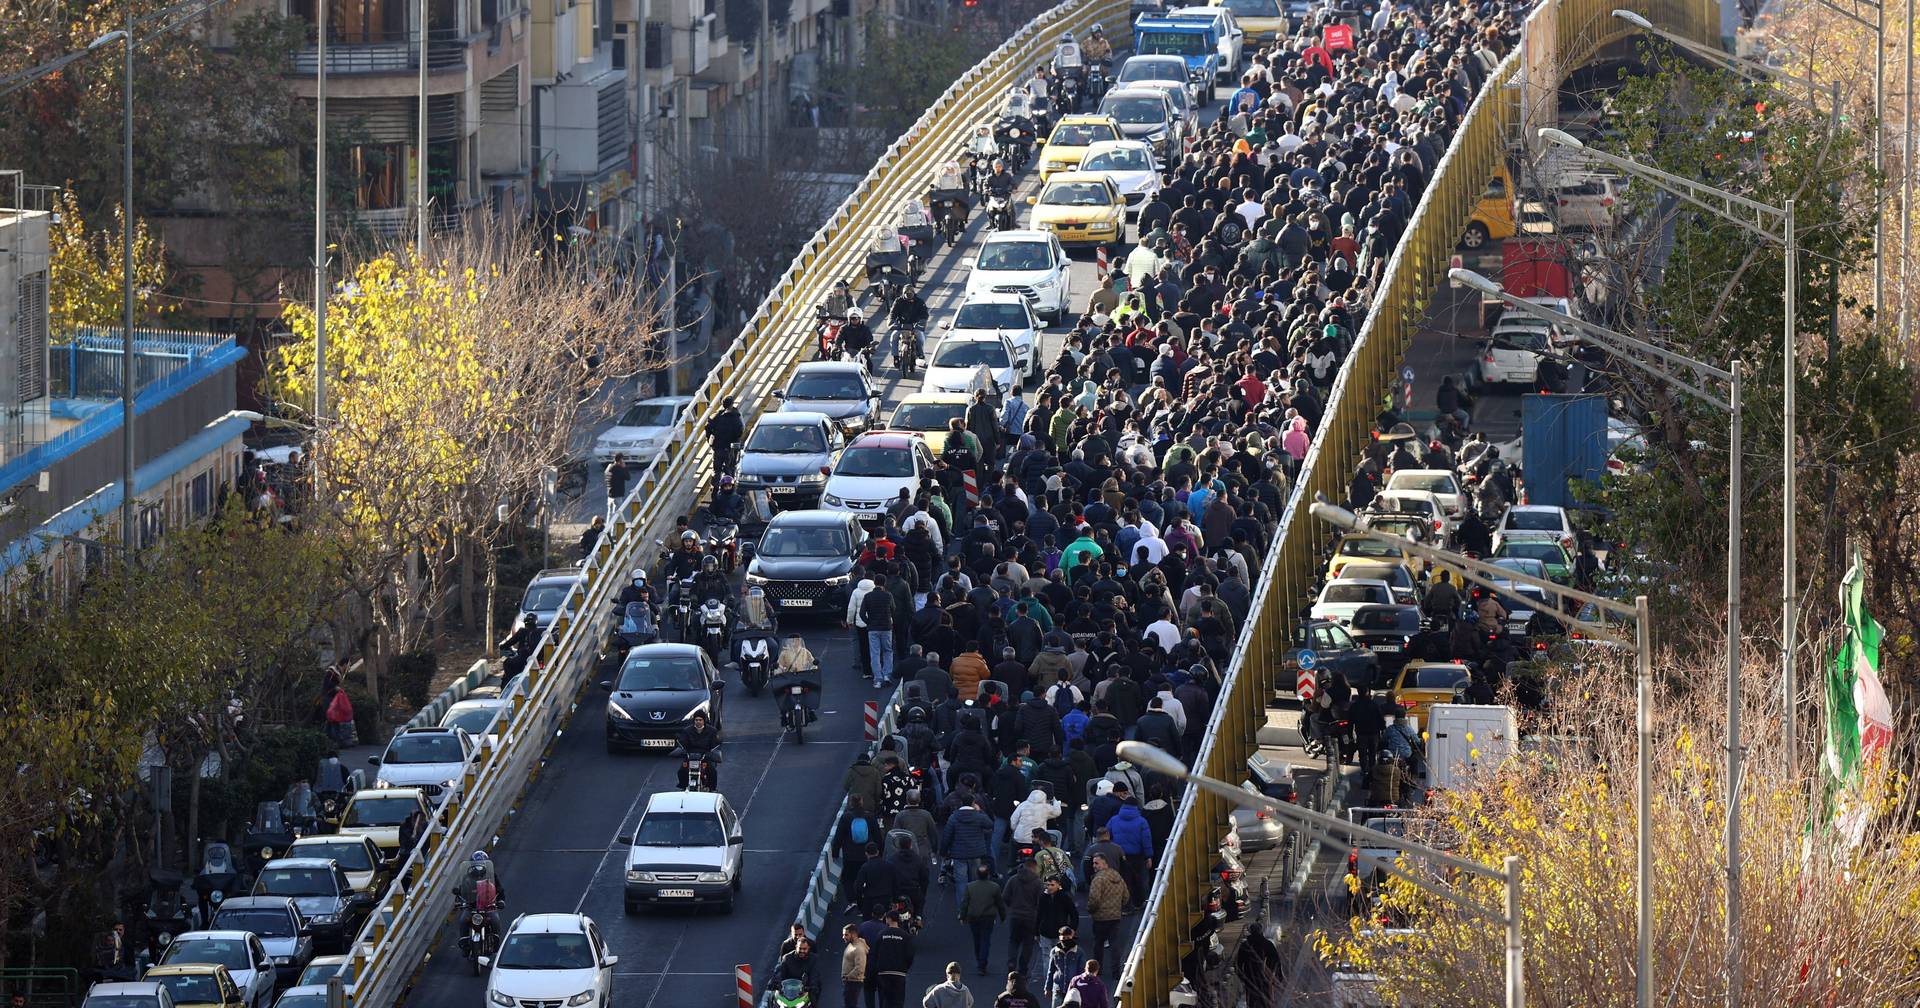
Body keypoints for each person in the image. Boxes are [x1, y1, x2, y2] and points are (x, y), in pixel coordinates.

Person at [1084, 854, 1128, 977]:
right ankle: (1116, 972)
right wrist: (1118, 907)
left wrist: (1090, 910)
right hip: (1115, 916)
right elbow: (1126, 896)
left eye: (1096, 863)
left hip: (1100, 917)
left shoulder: (1098, 879)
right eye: (1093, 863)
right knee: (1114, 944)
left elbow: (1094, 899)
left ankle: (1097, 971)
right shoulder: (1118, 877)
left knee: (1098, 945)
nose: (1094, 866)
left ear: (1104, 863)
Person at [959, 863, 1005, 976]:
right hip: (988, 917)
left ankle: (979, 957)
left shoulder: (970, 886)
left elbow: (965, 903)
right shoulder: (994, 887)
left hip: (973, 917)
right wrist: (1003, 916)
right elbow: (1000, 903)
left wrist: (962, 916)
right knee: (985, 940)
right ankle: (982, 964)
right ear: (988, 875)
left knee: (976, 939)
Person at [676, 710, 722, 789]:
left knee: (712, 771)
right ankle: (683, 786)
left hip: (706, 756)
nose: (698, 722)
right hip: (691, 756)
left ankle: (712, 789)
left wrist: (711, 753)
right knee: (682, 771)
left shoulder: (712, 731)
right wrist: (681, 750)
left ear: (704, 720)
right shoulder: (687, 731)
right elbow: (682, 743)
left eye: (700, 720)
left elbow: (715, 744)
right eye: (696, 720)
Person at [775, 936, 825, 1005]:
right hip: (788, 989)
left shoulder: (814, 959)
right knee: (774, 1000)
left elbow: (815, 975)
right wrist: (777, 982)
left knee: (812, 1001)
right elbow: (780, 972)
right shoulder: (787, 958)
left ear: (809, 948)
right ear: (796, 947)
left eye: (804, 949)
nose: (802, 951)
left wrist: (812, 986)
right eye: (800, 948)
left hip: (806, 989)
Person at [707, 397, 745, 476]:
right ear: (732, 404)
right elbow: (740, 431)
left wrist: (710, 440)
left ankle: (715, 487)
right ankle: (729, 486)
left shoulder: (716, 416)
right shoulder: (736, 416)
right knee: (730, 469)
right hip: (731, 448)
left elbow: (708, 426)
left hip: (718, 447)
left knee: (716, 471)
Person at [604, 453, 631, 521]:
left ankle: (608, 529)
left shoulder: (609, 468)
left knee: (610, 514)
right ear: (620, 460)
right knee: (618, 514)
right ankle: (616, 530)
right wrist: (624, 468)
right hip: (618, 495)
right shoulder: (619, 469)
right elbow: (628, 477)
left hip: (610, 494)